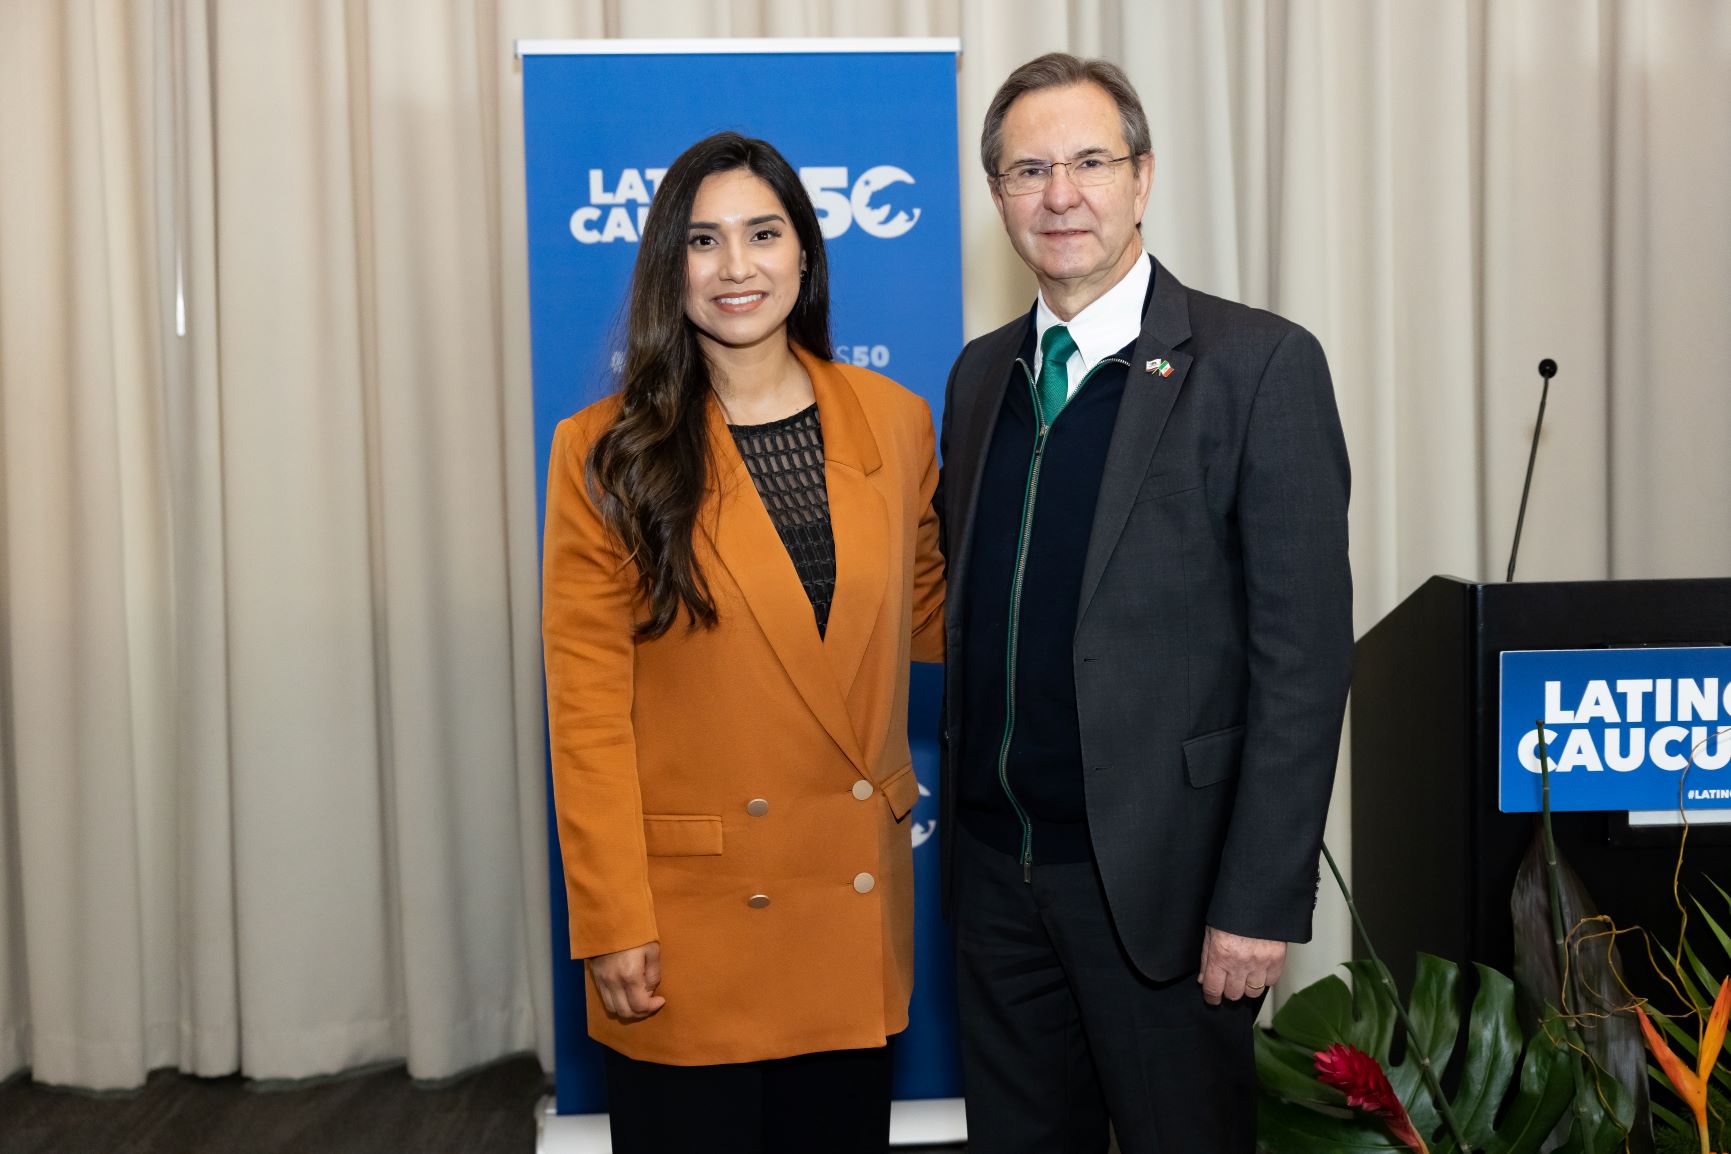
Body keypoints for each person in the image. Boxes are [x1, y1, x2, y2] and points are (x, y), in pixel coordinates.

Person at [937, 53, 1353, 1152]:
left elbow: (1304, 664)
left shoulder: (1257, 366)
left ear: (1143, 176)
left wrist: (1257, 898)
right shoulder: (978, 377)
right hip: (996, 881)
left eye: (1089, 162)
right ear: (997, 196)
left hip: (1167, 894)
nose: (1060, 195)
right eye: (1029, 170)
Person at [541, 131, 945, 1154]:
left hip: (845, 907)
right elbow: (587, 715)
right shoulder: (603, 451)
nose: (736, 266)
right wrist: (611, 920)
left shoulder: (896, 422)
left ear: (805, 251)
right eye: (703, 240)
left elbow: (940, 620)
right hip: (689, 925)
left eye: (763, 234)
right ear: (668, 265)